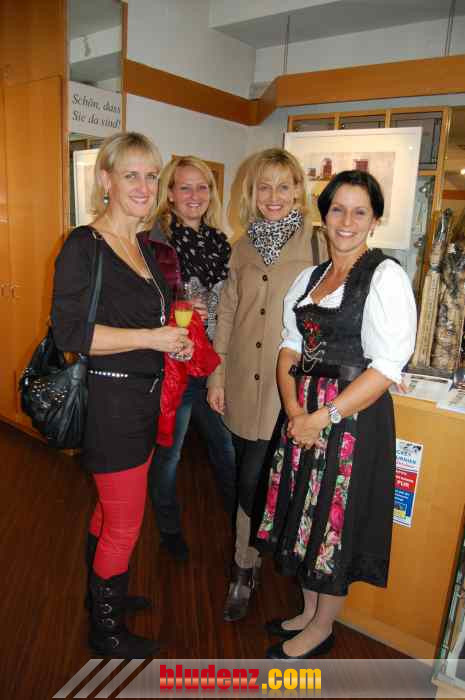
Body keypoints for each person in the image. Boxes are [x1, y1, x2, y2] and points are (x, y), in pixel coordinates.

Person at [255, 170, 417, 659]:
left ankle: (323, 627)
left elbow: (385, 368)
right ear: (323, 216)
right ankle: (308, 611)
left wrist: (321, 417)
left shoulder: (385, 277)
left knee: (333, 519)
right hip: (304, 411)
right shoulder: (310, 278)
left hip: (351, 418)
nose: (347, 221)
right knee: (305, 511)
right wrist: (293, 409)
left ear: (375, 220)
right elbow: (289, 347)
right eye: (338, 209)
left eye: (360, 211)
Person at [51, 132, 191, 658]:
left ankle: (102, 596)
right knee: (126, 525)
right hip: (111, 405)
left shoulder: (141, 246)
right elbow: (71, 333)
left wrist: (172, 340)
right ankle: (106, 632)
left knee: (111, 513)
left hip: (143, 400)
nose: (144, 186)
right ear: (106, 179)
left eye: (151, 176)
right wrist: (151, 338)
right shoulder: (84, 244)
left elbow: (148, 319)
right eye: (131, 174)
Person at [207, 147, 327, 622]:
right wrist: (217, 375)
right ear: (252, 193)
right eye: (264, 187)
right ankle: (246, 564)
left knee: (262, 478)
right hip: (241, 380)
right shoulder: (241, 247)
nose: (273, 196)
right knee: (247, 474)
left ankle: (266, 556)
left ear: (298, 191)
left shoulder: (317, 245)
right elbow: (227, 314)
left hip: (290, 389)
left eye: (283, 186)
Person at [146, 155, 235, 561]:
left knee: (226, 449)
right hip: (177, 366)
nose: (195, 195)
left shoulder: (222, 243)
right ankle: (169, 530)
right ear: (170, 193)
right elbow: (143, 304)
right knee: (170, 455)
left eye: (202, 187)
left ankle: (241, 527)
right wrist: (178, 305)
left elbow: (231, 302)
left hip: (213, 363)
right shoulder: (155, 243)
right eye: (185, 187)